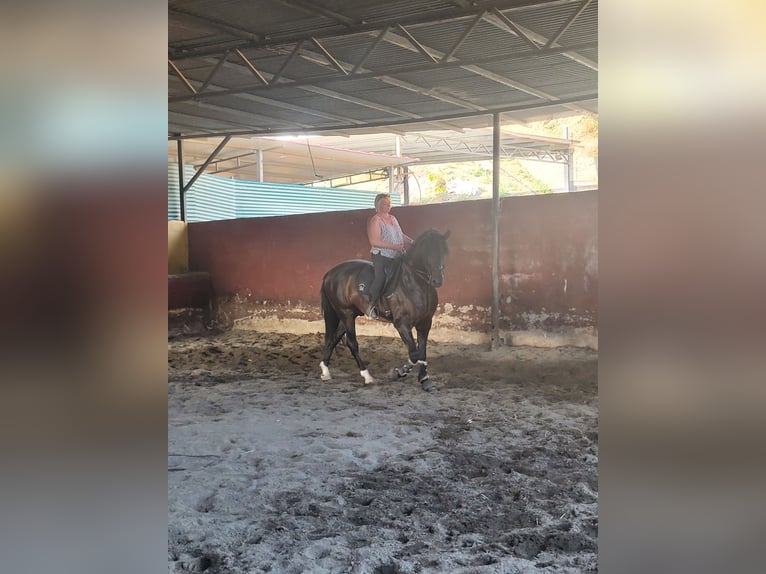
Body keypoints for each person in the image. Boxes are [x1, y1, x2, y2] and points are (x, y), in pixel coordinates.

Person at [366, 193, 414, 319]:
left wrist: (412, 242)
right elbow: (374, 241)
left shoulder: (393, 218)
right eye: (383, 204)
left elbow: (400, 235)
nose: (387, 206)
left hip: (397, 255)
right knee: (381, 277)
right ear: (377, 205)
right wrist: (396, 247)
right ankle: (371, 305)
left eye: (388, 204)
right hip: (381, 256)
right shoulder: (375, 220)